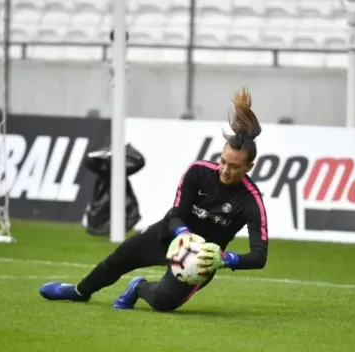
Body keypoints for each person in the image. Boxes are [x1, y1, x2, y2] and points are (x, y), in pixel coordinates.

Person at [39, 87, 269, 312]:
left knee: (163, 303)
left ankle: (138, 287)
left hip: (201, 260)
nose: (225, 170)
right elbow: (176, 214)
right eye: (223, 161)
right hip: (168, 235)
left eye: (235, 166)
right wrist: (184, 235)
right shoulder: (198, 171)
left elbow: (259, 256)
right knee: (117, 260)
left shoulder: (251, 200)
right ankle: (79, 292)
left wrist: (225, 258)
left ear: (249, 167)